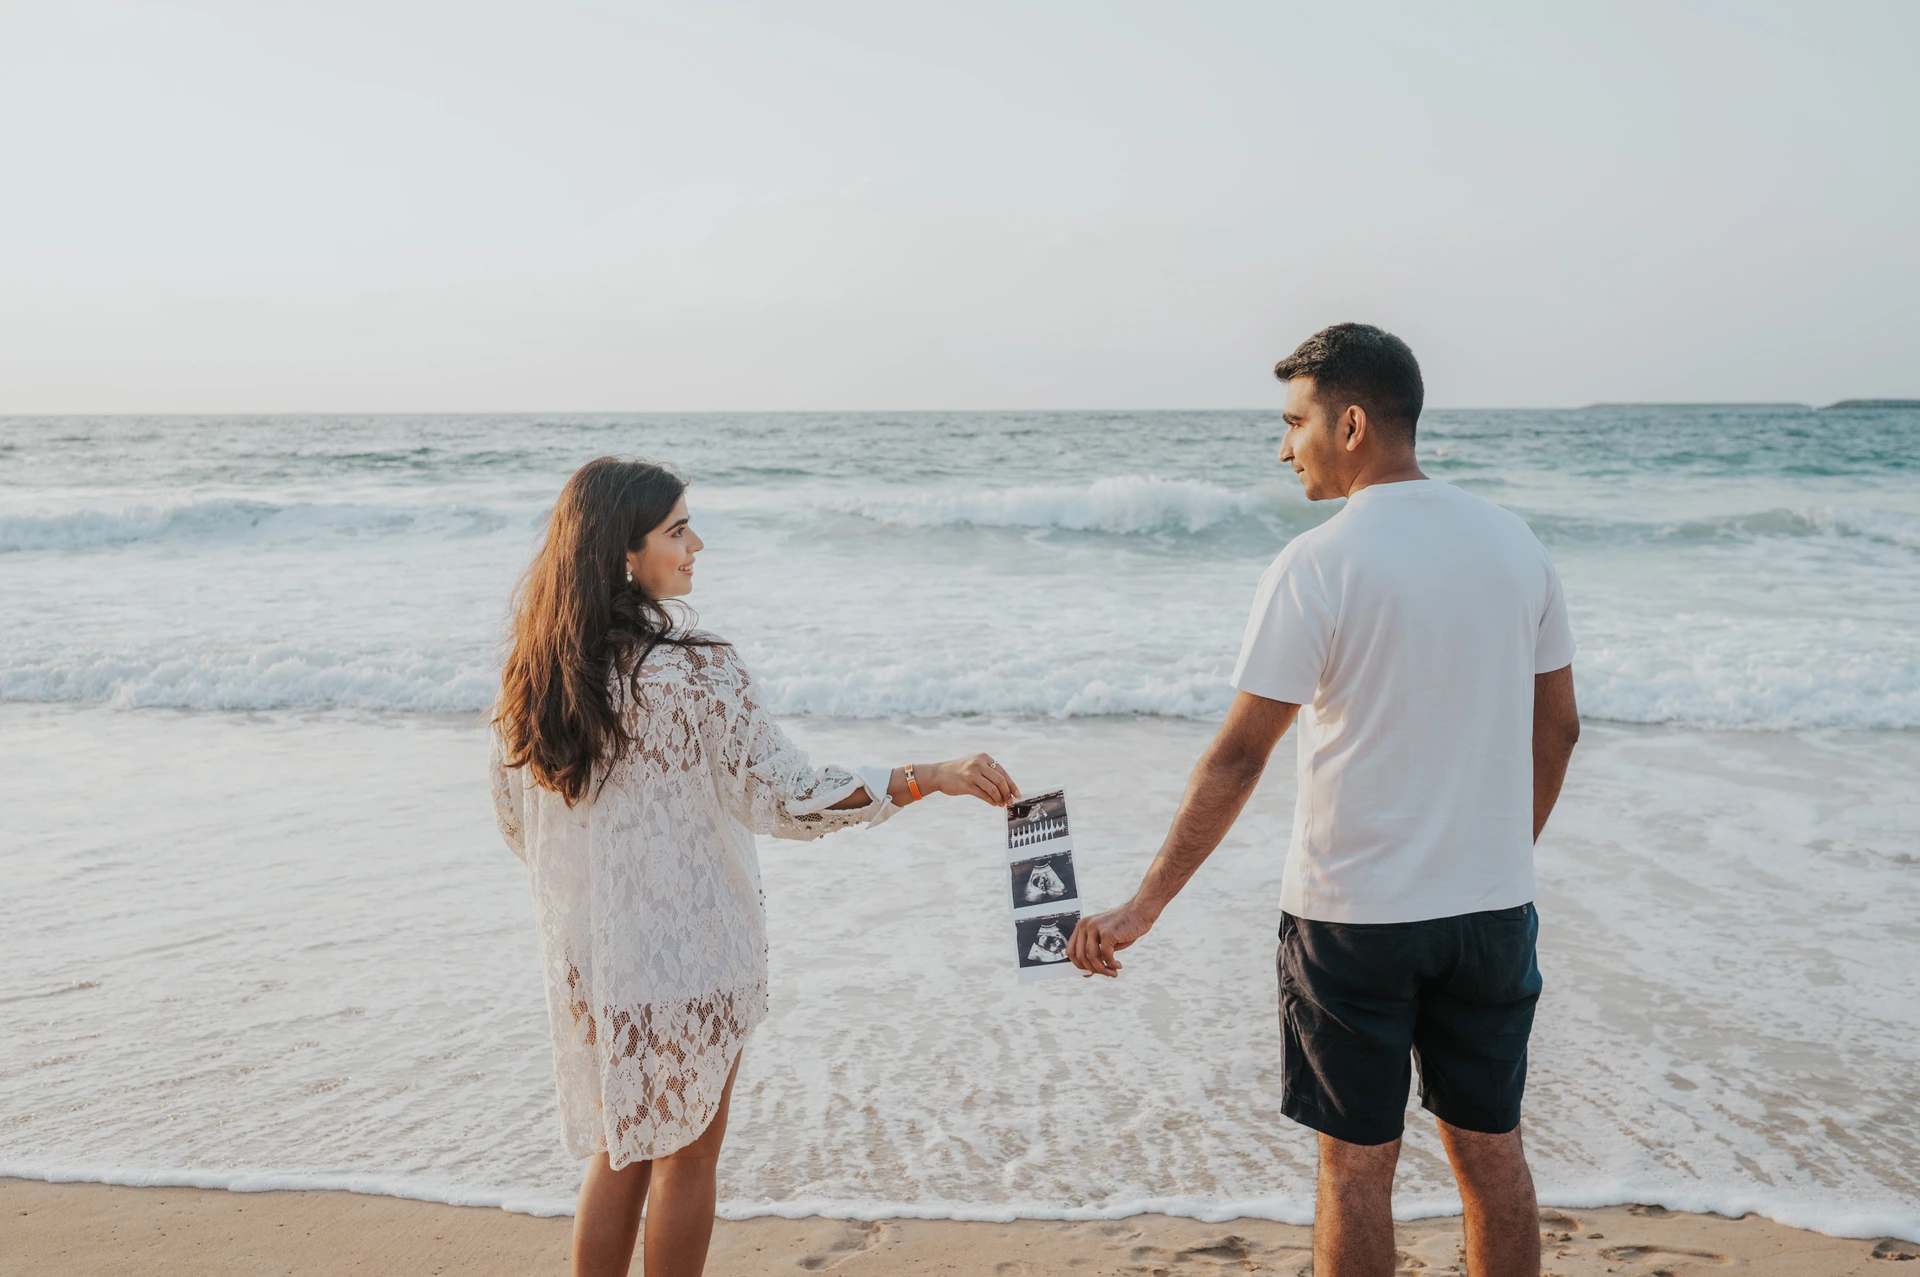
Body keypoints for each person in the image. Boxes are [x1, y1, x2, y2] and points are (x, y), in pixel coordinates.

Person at [1068, 324, 1580, 1277]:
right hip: (1490, 912)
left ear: (1350, 423)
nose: (1282, 446)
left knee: (1354, 1166)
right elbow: (1561, 728)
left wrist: (1144, 905)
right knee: (1490, 1144)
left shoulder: (1317, 563)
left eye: (1294, 422)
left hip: (1353, 922)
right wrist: (1502, 851)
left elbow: (1237, 758)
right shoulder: (1516, 544)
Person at [488, 457, 1019, 1277]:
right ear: (624, 552)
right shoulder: (697, 668)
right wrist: (930, 775)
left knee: (620, 1147)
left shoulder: (535, 675)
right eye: (677, 528)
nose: (697, 543)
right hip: (696, 949)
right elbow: (792, 797)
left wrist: (606, 889)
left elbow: (517, 822)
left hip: (593, 955)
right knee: (687, 1157)